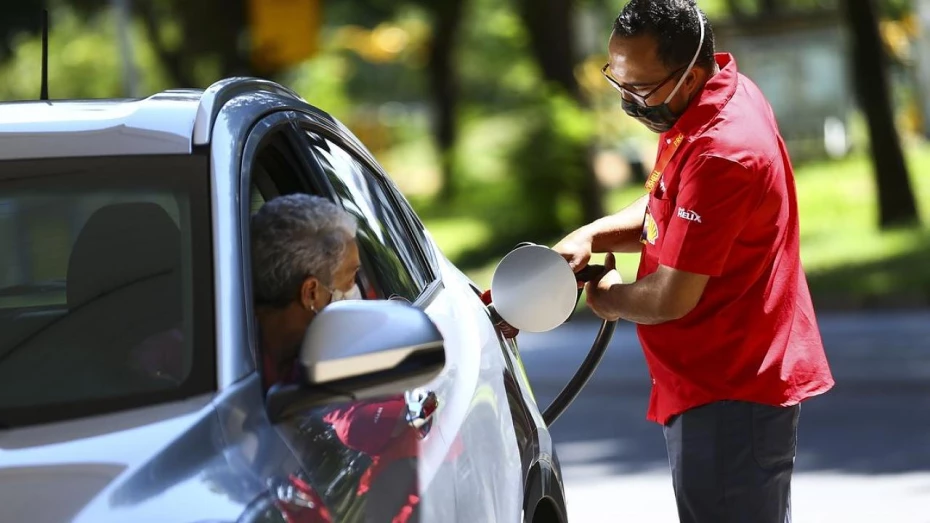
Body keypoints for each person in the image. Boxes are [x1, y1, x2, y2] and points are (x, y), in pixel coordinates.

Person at [552, 1, 835, 522]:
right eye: (619, 82)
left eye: (642, 89)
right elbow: (672, 205)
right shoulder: (717, 97)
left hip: (732, 391)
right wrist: (591, 234)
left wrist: (606, 294)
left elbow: (670, 297)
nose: (630, 102)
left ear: (690, 74)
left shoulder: (722, 150)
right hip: (715, 384)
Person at [250, 193, 362, 390]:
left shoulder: (205, 350)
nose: (355, 289)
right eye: (351, 277)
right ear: (311, 292)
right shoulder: (332, 369)